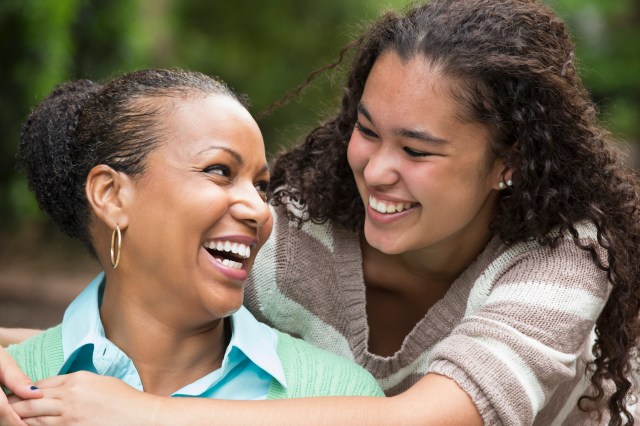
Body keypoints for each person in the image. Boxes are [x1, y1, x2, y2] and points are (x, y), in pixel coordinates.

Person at [2, 0, 640, 424]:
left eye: (418, 149)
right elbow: (151, 318)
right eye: (366, 130)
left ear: (510, 162)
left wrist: (143, 411)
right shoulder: (293, 238)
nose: (376, 168)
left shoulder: (562, 259)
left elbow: (423, 418)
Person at [0, 68, 384, 425]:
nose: (259, 209)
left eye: (260, 186)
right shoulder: (13, 385)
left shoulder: (338, 395)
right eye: (219, 171)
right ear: (111, 196)